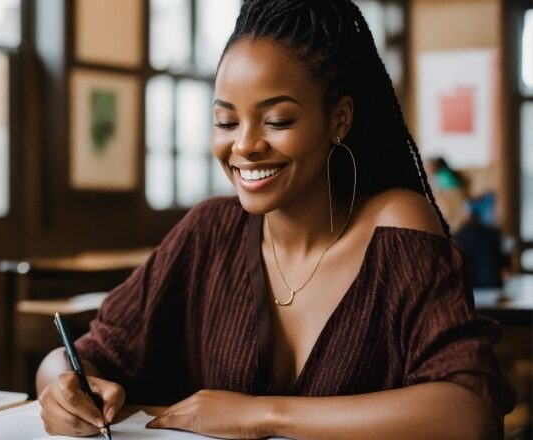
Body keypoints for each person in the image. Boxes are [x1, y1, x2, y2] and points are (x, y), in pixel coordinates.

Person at [36, 1, 515, 439]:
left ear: (339, 120)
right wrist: (59, 387)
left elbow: (467, 412)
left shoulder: (396, 225)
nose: (244, 145)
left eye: (277, 120)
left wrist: (261, 414)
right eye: (226, 122)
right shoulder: (209, 231)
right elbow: (84, 354)